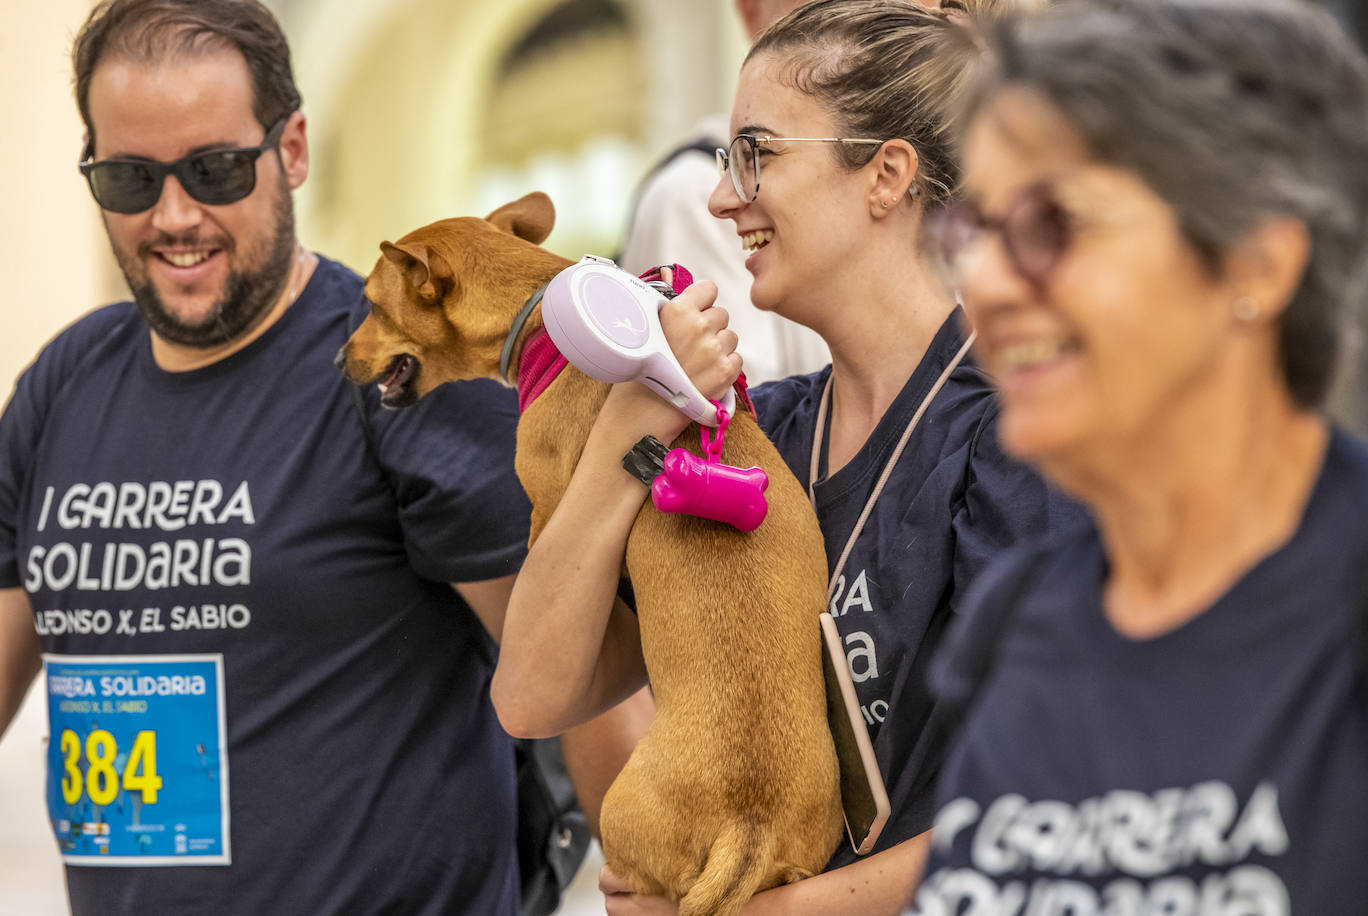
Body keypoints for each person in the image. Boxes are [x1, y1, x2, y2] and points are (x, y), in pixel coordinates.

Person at [0, 1, 638, 913]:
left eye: (214, 170)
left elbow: (585, 687)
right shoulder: (64, 383)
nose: (173, 215)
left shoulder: (399, 378)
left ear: (292, 150)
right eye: (130, 179)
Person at [491, 2, 1073, 912]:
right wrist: (629, 426)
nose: (723, 197)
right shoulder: (754, 436)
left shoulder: (1019, 433)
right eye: (728, 161)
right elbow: (533, 694)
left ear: (886, 175)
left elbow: (1042, 805)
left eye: (756, 154)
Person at [912, 0, 1368, 911]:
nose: (989, 286)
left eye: (1052, 225)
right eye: (978, 232)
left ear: (1255, 263)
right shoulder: (1015, 619)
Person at [618, 0, 830, 383]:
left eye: (761, 152)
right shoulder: (689, 197)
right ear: (751, 13)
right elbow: (734, 423)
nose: (721, 201)